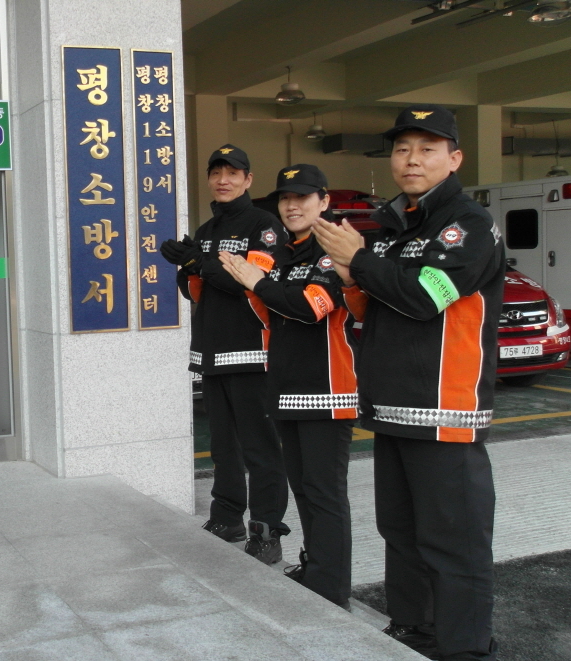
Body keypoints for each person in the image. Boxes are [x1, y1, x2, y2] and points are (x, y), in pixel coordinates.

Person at [313, 104, 502, 660]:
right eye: (402, 149)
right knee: (400, 531)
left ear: (455, 158)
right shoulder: (397, 228)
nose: (411, 159)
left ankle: (465, 647)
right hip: (393, 407)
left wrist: (360, 259)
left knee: (454, 541)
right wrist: (353, 277)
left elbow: (425, 297)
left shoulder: (469, 224)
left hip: (445, 410)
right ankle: (414, 627)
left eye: (426, 148)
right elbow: (375, 311)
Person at [220, 164, 355, 608]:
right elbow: (269, 314)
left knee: (324, 493)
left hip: (327, 390)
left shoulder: (333, 251)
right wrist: (255, 286)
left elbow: (310, 308)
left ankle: (331, 586)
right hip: (286, 387)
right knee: (304, 490)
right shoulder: (284, 255)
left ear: (324, 201)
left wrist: (258, 283)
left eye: (302, 197)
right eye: (285, 198)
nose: (291, 206)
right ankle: (314, 568)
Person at [160, 144, 291, 564]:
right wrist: (186, 268)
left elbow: (247, 280)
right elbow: (197, 292)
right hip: (212, 352)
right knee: (223, 447)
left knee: (260, 449)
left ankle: (266, 530)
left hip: (251, 352)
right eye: (216, 172)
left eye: (233, 173)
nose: (223, 180)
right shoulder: (206, 230)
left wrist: (199, 263)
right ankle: (227, 517)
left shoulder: (264, 226)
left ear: (248, 179)